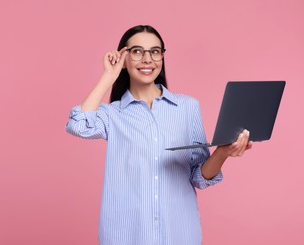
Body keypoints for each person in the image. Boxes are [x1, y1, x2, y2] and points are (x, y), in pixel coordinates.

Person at [66, 25, 252, 245]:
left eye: (155, 51)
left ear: (162, 57)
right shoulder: (111, 114)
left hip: (179, 233)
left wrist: (222, 153)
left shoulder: (187, 107)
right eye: (137, 51)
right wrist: (109, 76)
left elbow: (198, 177)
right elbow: (78, 125)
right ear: (123, 58)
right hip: (126, 235)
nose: (148, 59)